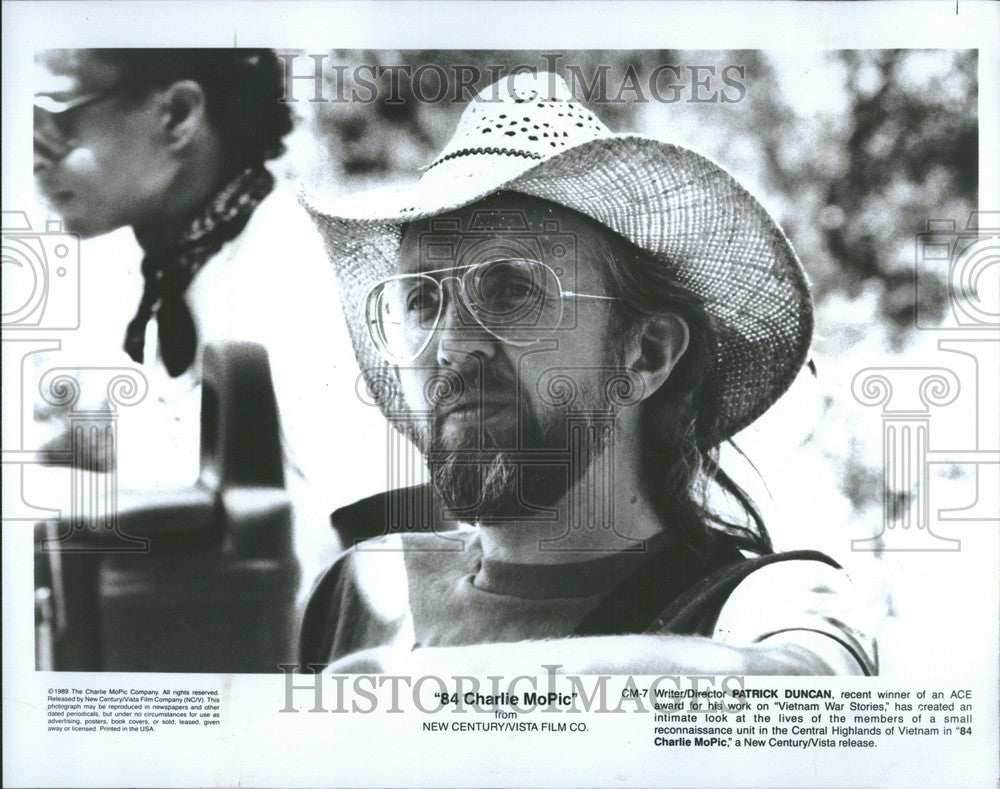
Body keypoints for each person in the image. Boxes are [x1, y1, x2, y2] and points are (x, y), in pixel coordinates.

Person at [298, 71, 878, 676]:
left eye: (511, 289)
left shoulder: (762, 605)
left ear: (647, 354)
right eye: (420, 301)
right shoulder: (361, 591)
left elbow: (809, 689)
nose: (449, 345)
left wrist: (405, 691)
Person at [32, 49, 384, 595]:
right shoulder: (150, 272)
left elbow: (397, 554)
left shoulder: (299, 273)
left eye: (55, 113)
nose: (35, 151)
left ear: (176, 115)